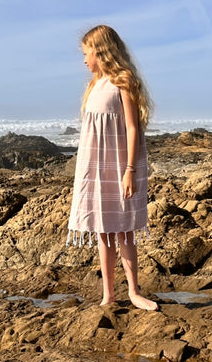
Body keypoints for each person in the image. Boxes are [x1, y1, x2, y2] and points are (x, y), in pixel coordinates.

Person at [67, 25, 158, 311]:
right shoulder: (94, 85)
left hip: (119, 165)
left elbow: (132, 129)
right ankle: (108, 294)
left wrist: (130, 170)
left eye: (86, 53)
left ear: (101, 51)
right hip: (95, 167)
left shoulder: (123, 81)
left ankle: (133, 291)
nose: (84, 60)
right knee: (103, 232)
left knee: (125, 231)